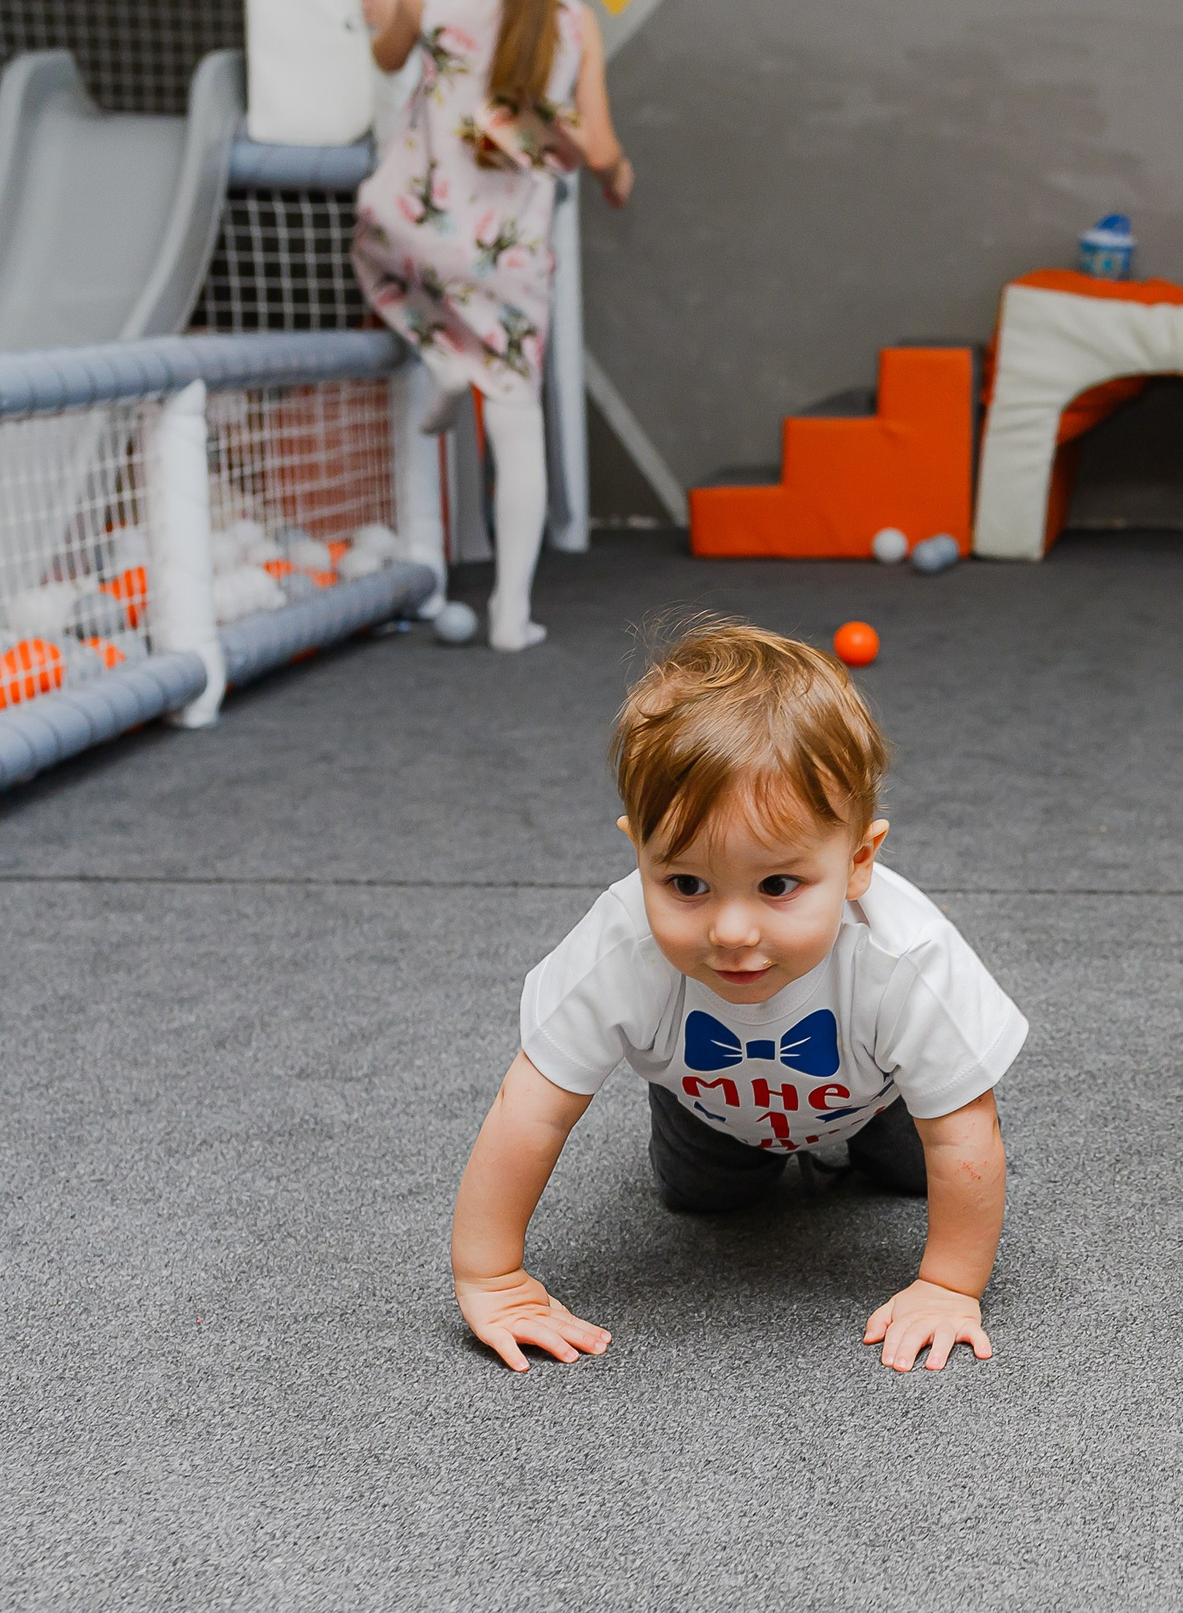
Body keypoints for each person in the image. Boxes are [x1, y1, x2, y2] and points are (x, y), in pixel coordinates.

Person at [450, 620, 1027, 1374]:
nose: (729, 929)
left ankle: (858, 1149)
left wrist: (950, 1285)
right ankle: (740, 1153)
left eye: (778, 885)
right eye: (686, 883)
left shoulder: (903, 955)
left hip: (876, 1094)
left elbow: (962, 1133)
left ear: (858, 863)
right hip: (705, 1102)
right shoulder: (620, 947)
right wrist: (491, 1275)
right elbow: (527, 1108)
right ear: (639, 850)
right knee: (702, 1201)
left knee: (921, 1175)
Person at [352, 0, 634, 652]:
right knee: (514, 417)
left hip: (418, 227)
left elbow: (387, 56)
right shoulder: (572, 18)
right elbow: (601, 149)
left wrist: (390, 15)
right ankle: (511, 612)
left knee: (373, 254)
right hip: (508, 249)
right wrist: (619, 174)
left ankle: (442, 353)